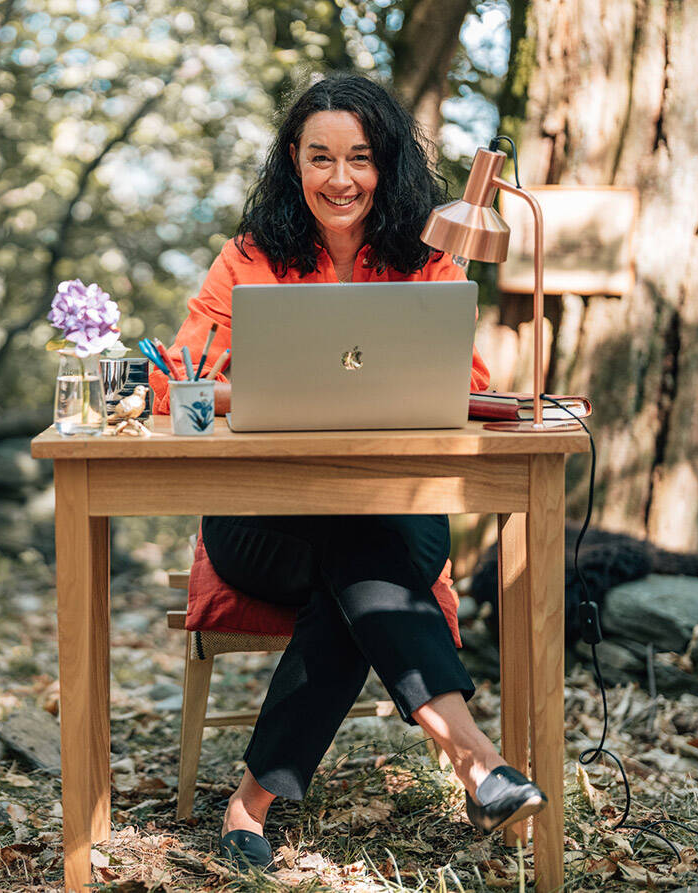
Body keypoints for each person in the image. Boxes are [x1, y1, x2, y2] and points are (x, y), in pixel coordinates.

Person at [148, 73, 547, 871]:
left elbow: (463, 387)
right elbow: (172, 380)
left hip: (391, 513)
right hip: (260, 526)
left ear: (386, 163)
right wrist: (239, 387)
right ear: (293, 161)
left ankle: (249, 804)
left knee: (359, 550)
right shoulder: (250, 258)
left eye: (359, 158)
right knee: (364, 564)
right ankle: (478, 761)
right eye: (320, 156)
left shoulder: (425, 259)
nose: (340, 178)